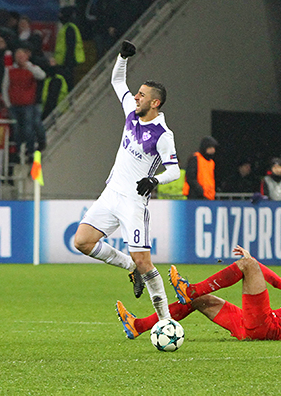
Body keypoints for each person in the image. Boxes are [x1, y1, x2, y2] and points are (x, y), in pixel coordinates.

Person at [73, 41, 180, 321]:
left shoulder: (163, 134)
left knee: (144, 261)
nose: (135, 97)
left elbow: (174, 171)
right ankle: (130, 269)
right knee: (82, 241)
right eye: (137, 93)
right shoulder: (131, 113)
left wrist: (154, 180)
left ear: (155, 103)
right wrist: (122, 57)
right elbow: (117, 81)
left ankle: (166, 320)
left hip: (133, 202)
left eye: (142, 95)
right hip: (111, 194)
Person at [117, 245, 281, 342]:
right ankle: (138, 326)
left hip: (265, 328)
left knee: (246, 265)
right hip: (251, 328)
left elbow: (277, 282)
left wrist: (252, 262)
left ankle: (190, 290)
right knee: (200, 301)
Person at [2, 46, 46, 158]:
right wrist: (8, 104)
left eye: (22, 56)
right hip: (14, 105)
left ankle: (30, 150)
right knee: (16, 129)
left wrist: (28, 67)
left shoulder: (32, 68)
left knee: (28, 129)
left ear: (27, 56)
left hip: (28, 104)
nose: (20, 58)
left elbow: (42, 76)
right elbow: (5, 86)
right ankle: (18, 151)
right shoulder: (9, 70)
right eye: (18, 56)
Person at [54, 6, 85, 90]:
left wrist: (68, 63)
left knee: (68, 82)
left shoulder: (69, 28)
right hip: (65, 62)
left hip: (67, 62)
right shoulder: (68, 27)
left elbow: (70, 47)